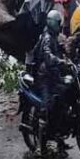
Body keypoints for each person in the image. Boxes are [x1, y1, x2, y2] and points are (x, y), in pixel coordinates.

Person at [33, 10, 72, 151]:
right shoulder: (47, 38)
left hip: (54, 76)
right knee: (46, 108)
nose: (60, 26)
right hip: (45, 77)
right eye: (58, 23)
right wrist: (60, 61)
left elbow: (60, 50)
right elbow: (48, 56)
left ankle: (60, 138)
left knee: (62, 103)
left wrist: (68, 55)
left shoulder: (55, 37)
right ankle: (39, 146)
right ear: (53, 23)